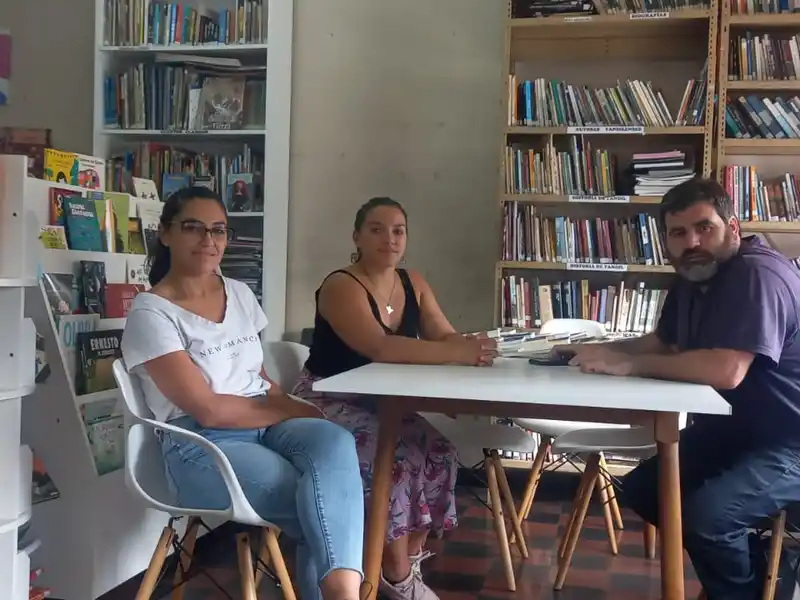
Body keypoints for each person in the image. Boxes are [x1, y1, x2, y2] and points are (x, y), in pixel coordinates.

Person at [558, 178, 800, 600]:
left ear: (733, 227)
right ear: (666, 240)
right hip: (734, 434)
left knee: (709, 519)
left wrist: (629, 365)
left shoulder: (757, 273)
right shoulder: (693, 276)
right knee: (646, 490)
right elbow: (664, 342)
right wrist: (599, 350)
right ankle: (762, 575)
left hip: (788, 441)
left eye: (704, 228)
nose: (692, 242)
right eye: (678, 233)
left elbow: (726, 371)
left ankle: (748, 589)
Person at [120, 187, 365, 600]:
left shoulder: (239, 292)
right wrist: (287, 411)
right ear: (164, 233)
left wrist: (296, 408)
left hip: (262, 423)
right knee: (320, 502)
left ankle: (342, 593)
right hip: (201, 444)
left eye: (218, 230)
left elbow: (258, 377)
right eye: (193, 227)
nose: (208, 240)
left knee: (335, 442)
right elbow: (209, 410)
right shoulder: (151, 313)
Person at [292, 196, 497, 600]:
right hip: (327, 398)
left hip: (382, 400)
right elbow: (380, 347)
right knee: (398, 461)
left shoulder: (412, 281)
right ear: (357, 237)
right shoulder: (340, 284)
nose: (389, 238)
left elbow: (443, 335)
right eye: (377, 230)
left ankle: (405, 563)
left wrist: (472, 346)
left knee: (441, 451)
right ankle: (396, 574)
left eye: (398, 231)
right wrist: (457, 352)